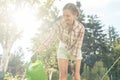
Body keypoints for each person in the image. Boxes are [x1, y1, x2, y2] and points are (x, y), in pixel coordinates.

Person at [39, 3, 85, 80]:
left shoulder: (81, 28)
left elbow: (78, 45)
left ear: (75, 15)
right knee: (63, 74)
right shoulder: (59, 24)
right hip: (63, 47)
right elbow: (51, 36)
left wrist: (72, 61)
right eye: (64, 15)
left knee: (76, 75)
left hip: (75, 49)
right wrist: (43, 46)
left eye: (68, 16)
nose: (65, 18)